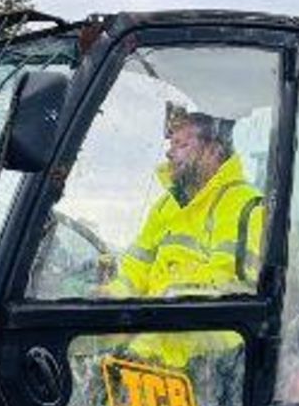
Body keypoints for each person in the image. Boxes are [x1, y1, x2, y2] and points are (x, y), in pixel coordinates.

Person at [113, 105, 265, 299]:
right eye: (171, 145)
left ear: (213, 152)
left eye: (182, 145)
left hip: (201, 326)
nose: (169, 154)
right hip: (153, 320)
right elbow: (134, 270)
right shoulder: (165, 205)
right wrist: (109, 296)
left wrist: (162, 299)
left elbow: (227, 287)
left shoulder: (243, 204)